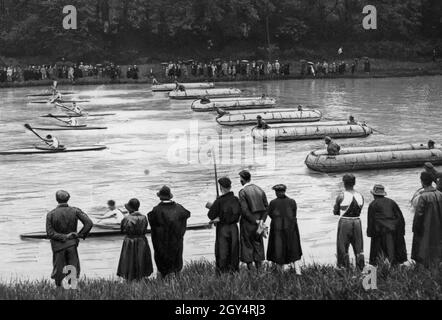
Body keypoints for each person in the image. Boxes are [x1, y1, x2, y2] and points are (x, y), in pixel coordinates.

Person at [46, 190, 93, 287]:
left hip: (58, 246)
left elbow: (50, 233)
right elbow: (89, 223)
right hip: (72, 244)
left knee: (58, 269)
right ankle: (72, 289)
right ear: (68, 199)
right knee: (73, 267)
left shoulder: (51, 214)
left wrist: (63, 237)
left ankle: (59, 289)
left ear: (56, 199)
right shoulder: (75, 210)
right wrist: (79, 235)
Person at [148, 186, 191, 278]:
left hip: (161, 242)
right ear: (170, 196)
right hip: (176, 241)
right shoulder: (179, 208)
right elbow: (187, 214)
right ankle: (177, 277)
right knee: (176, 260)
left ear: (160, 197)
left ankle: (162, 278)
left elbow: (151, 221)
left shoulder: (156, 210)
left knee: (161, 260)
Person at [207, 177, 241, 274]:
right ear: (230, 187)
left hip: (223, 228)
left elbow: (210, 215)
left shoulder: (219, 201)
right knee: (234, 250)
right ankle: (234, 271)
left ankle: (222, 272)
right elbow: (239, 213)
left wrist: (215, 205)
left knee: (222, 250)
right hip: (234, 228)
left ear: (221, 187)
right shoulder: (236, 199)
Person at [367, 185, 407, 266]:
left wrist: (370, 233)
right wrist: (401, 232)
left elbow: (371, 221)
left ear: (374, 195)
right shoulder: (392, 202)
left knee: (380, 257)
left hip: (380, 233)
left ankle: (383, 272)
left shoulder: (373, 204)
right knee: (394, 256)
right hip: (394, 231)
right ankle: (395, 271)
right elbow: (400, 218)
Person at [267, 185, 302, 273]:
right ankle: (298, 272)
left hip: (277, 230)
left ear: (276, 192)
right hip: (291, 229)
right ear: (285, 191)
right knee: (294, 250)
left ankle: (280, 273)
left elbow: (271, 215)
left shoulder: (273, 203)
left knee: (278, 250)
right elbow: (294, 214)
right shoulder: (292, 201)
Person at [238, 170, 269, 270]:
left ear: (242, 180)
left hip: (247, 224)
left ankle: (252, 273)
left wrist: (254, 221)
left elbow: (245, 211)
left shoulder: (242, 192)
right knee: (258, 244)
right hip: (260, 224)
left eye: (240, 179)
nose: (240, 181)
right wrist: (261, 221)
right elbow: (267, 207)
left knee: (247, 246)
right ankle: (259, 271)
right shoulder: (260, 190)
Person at [333, 174, 365, 270]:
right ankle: (361, 269)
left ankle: (343, 269)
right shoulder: (360, 196)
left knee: (342, 247)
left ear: (344, 183)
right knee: (359, 248)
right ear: (354, 183)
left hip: (345, 222)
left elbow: (336, 211)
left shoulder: (341, 196)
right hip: (357, 221)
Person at [117, 199, 153, 281]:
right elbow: (145, 229)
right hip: (142, 240)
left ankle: (129, 277)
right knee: (141, 259)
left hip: (130, 241)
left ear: (130, 208)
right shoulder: (144, 217)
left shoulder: (127, 218)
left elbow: (122, 230)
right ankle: (141, 277)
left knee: (129, 260)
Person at [411, 172, 442, 269]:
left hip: (427, 228)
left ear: (422, 182)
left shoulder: (423, 197)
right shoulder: (440, 194)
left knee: (424, 250)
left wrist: (415, 229)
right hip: (439, 227)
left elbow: (419, 215)